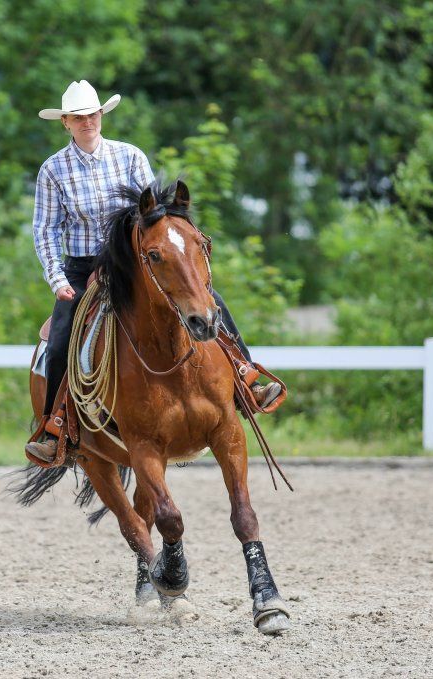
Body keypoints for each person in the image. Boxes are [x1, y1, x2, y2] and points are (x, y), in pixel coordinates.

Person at [26, 80, 281, 463]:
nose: (87, 122)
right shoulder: (53, 170)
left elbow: (154, 216)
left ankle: (246, 377)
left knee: (208, 300)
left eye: (92, 114)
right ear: (65, 123)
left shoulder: (129, 157)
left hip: (133, 260)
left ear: (101, 115)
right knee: (61, 331)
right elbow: (45, 230)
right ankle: (55, 423)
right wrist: (58, 279)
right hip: (82, 268)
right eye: (78, 117)